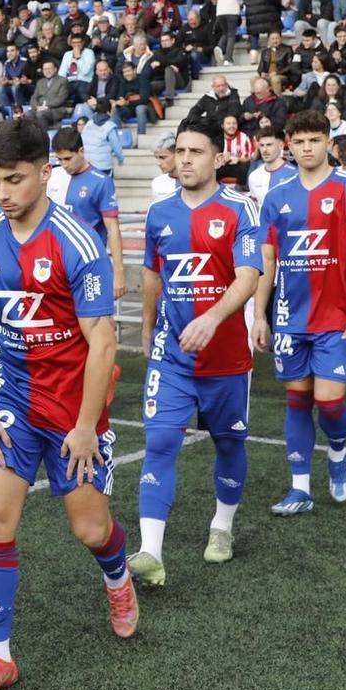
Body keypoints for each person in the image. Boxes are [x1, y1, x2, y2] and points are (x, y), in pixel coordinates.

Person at [0, 118, 135, 690]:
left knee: (90, 529)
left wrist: (86, 427)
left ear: (44, 172)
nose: (4, 193)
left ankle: (117, 572)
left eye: (14, 179)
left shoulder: (77, 243)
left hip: (72, 409)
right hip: (10, 402)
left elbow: (103, 343)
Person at [130, 117, 261, 583]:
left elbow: (248, 276)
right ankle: (150, 552)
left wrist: (212, 318)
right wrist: (147, 328)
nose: (185, 159)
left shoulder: (240, 210)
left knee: (228, 443)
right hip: (173, 355)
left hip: (226, 359)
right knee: (160, 441)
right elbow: (151, 274)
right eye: (180, 151)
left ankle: (222, 526)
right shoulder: (158, 213)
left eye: (196, 151)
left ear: (217, 158)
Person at [254, 110, 346, 515]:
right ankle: (300, 489)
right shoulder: (276, 194)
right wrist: (259, 314)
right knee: (297, 399)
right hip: (290, 318)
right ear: (289, 143)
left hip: (336, 319)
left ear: (329, 142)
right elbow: (267, 259)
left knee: (329, 403)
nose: (307, 148)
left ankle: (338, 455)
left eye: (315, 140)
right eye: (300, 140)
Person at [51, 125, 126, 300]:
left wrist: (119, 271)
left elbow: (113, 229)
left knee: (95, 322)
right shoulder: (54, 177)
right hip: (58, 265)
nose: (64, 164)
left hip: (90, 265)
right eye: (60, 159)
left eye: (68, 158)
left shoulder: (101, 182)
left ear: (81, 151)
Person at [245, 129, 296, 207]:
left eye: (269, 145)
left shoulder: (295, 174)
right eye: (262, 145)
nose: (264, 150)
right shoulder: (254, 176)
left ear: (281, 146)